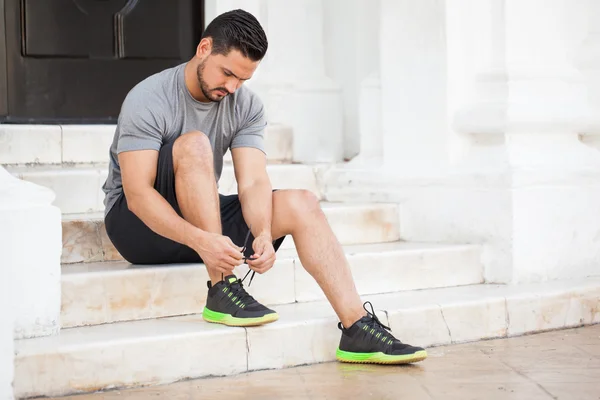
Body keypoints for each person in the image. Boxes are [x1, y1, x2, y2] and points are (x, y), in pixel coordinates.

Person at [101, 9, 427, 365]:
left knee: (301, 202)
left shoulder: (246, 105)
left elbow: (254, 180)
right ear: (204, 48)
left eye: (242, 79)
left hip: (201, 223)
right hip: (137, 228)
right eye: (227, 73)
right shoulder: (150, 97)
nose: (231, 88)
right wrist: (201, 241)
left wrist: (262, 231)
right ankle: (222, 288)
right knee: (193, 144)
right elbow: (137, 194)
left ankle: (357, 329)